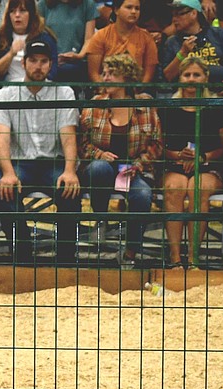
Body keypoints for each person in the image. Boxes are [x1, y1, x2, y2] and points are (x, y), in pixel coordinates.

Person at [0, 38, 81, 263]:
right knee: (5, 193)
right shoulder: (5, 94)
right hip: (20, 162)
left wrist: (70, 170)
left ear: (51, 64)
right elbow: (1, 139)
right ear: (24, 62)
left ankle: (66, 258)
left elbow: (68, 136)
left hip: (53, 162)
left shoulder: (64, 92)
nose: (38, 66)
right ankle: (22, 255)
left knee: (70, 191)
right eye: (33, 60)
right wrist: (8, 173)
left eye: (44, 61)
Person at [78, 53, 162, 266]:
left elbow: (156, 144)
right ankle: (101, 219)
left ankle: (130, 253)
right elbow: (81, 142)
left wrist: (138, 165)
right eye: (104, 73)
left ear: (126, 77)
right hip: (102, 167)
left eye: (111, 74)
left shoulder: (145, 106)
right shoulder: (95, 104)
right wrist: (99, 154)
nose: (105, 78)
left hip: (132, 169)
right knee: (99, 168)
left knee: (143, 194)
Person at [159, 56, 223, 267]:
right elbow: (160, 146)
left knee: (197, 188)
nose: (191, 79)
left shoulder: (217, 107)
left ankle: (193, 257)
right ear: (180, 78)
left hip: (209, 164)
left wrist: (202, 158)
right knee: (175, 187)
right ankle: (174, 258)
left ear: (206, 77)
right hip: (175, 164)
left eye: (196, 75)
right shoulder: (168, 107)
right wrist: (178, 156)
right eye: (187, 74)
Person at [161, 0, 223, 89]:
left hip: (220, 92)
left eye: (179, 14)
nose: (174, 19)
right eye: (173, 15)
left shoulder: (218, 33)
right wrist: (182, 53)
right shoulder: (172, 42)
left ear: (193, 13)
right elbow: (168, 76)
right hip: (186, 94)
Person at [0, 0, 59, 82]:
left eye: (22, 11)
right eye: (12, 11)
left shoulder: (45, 38)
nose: (17, 15)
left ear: (31, 14)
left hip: (38, 86)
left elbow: (52, 71)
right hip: (8, 88)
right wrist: (11, 54)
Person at [83, 0, 158, 82]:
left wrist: (136, 92)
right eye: (129, 7)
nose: (133, 12)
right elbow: (94, 74)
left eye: (137, 8)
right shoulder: (100, 36)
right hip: (106, 90)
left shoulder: (146, 38)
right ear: (116, 10)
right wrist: (106, 91)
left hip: (136, 92)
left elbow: (148, 74)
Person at [38, 0, 99, 84]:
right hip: (50, 61)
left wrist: (79, 56)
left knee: (71, 70)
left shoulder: (88, 4)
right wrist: (53, 59)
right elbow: (40, 36)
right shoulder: (42, 4)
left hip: (77, 62)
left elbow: (89, 39)